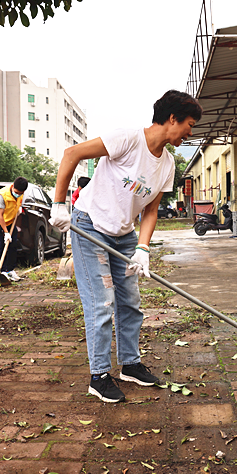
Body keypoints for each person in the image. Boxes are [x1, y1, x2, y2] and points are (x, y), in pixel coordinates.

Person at [49, 90, 202, 403]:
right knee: (102, 303)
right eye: (189, 123)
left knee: (130, 302)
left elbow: (150, 209)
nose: (190, 131)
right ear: (172, 118)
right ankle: (99, 375)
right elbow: (71, 154)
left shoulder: (168, 165)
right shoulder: (128, 139)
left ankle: (129, 364)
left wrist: (143, 248)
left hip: (124, 234)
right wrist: (59, 204)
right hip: (90, 225)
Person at [0, 176, 28, 282]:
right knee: (0, 246)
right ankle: (2, 271)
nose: (18, 194)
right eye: (16, 192)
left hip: (10, 221)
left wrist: (19, 208)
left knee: (12, 246)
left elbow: (18, 202)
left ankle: (10, 270)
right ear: (13, 186)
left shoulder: (20, 192)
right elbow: (0, 215)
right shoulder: (3, 195)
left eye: (20, 193)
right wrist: (6, 233)